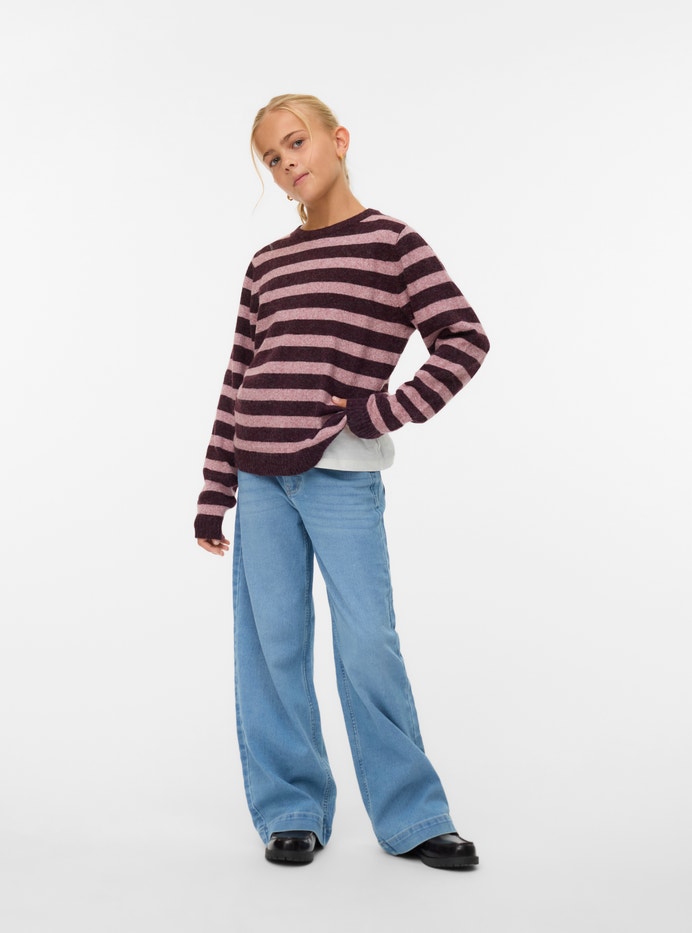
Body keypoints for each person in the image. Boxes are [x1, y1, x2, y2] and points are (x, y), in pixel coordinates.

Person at [195, 93, 490, 868]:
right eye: (272, 157)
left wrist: (381, 410)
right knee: (272, 645)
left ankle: (414, 814)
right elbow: (238, 377)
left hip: (340, 474)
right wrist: (214, 490)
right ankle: (291, 806)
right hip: (259, 475)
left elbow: (463, 337)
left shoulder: (393, 243)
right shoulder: (267, 263)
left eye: (297, 143)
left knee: (368, 643)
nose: (287, 163)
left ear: (338, 139)